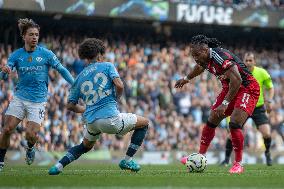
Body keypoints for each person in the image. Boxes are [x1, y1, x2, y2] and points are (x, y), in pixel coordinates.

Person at [48, 38, 149, 175]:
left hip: (91, 122)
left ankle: (58, 166)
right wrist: (116, 98)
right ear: (100, 54)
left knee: (85, 146)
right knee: (144, 123)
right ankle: (127, 160)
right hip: (110, 119)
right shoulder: (107, 66)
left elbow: (70, 106)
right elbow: (119, 85)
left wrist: (86, 108)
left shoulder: (79, 78)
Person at [176, 35, 260, 174]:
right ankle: (199, 156)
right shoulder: (204, 59)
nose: (195, 58)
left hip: (247, 88)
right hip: (230, 86)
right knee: (212, 118)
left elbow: (237, 80)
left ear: (205, 50)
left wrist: (225, 103)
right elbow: (199, 67)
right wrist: (186, 78)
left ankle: (238, 164)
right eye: (193, 56)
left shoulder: (220, 57)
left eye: (197, 55)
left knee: (234, 123)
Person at [0, 18, 74, 171]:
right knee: (7, 129)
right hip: (19, 98)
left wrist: (75, 84)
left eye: (36, 35)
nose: (34, 37)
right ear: (24, 37)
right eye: (31, 34)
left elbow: (62, 70)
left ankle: (30, 147)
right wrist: (4, 72)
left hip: (38, 101)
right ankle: (0, 161)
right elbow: (4, 75)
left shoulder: (46, 54)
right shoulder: (16, 55)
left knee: (30, 135)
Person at [220, 52, 274, 166]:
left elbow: (270, 88)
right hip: (243, 106)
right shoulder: (238, 71)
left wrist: (268, 101)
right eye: (246, 60)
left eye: (250, 60)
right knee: (232, 133)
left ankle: (268, 153)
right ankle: (226, 159)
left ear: (254, 62)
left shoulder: (262, 73)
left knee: (267, 133)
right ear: (243, 61)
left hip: (258, 107)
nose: (248, 62)